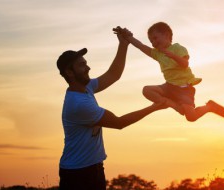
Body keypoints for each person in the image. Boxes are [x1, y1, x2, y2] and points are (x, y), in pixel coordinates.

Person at [56, 27, 167, 190]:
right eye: (81, 65)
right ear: (69, 72)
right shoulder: (78, 104)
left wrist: (123, 45)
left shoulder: (86, 87)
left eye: (86, 64)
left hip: (93, 167)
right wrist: (153, 108)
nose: (88, 68)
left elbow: (113, 74)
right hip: (77, 174)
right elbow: (119, 122)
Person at [117, 22, 224, 122]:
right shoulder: (157, 54)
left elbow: (185, 64)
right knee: (146, 90)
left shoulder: (178, 48)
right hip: (169, 87)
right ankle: (174, 106)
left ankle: (209, 107)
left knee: (191, 117)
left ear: (166, 35)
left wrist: (174, 56)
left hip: (184, 89)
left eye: (155, 38)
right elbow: (141, 46)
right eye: (151, 41)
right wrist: (128, 37)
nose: (153, 43)